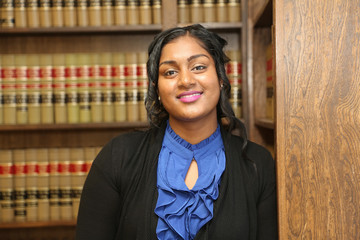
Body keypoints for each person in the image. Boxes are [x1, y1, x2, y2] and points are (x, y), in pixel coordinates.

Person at [75, 24, 278, 240]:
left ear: (220, 77)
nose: (186, 81)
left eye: (199, 67)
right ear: (157, 88)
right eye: (170, 72)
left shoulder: (258, 164)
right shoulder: (117, 157)